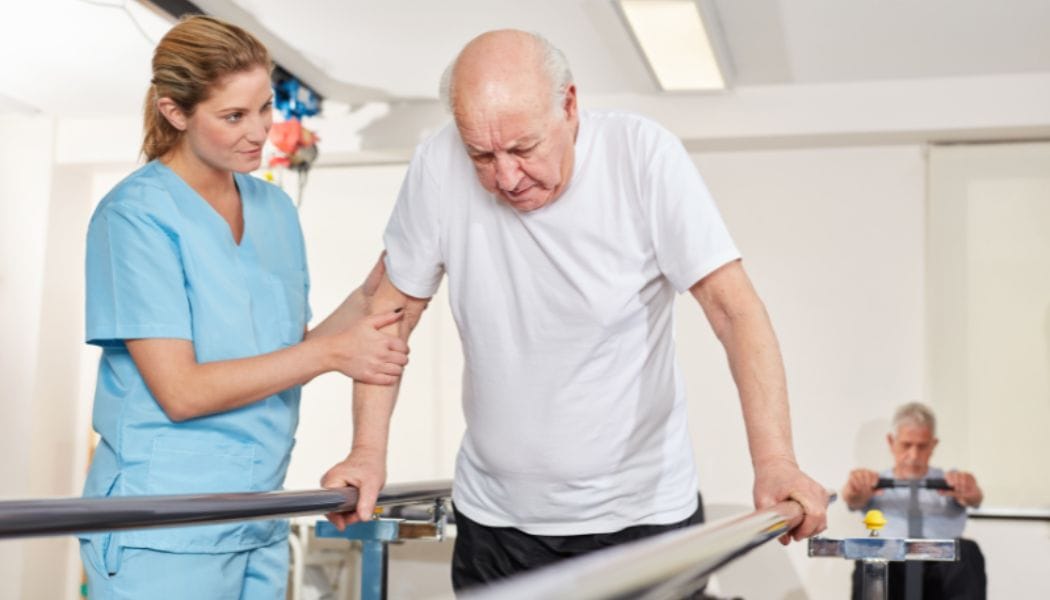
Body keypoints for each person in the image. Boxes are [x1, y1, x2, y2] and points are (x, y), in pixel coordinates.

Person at [321, 29, 828, 590]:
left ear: (568, 104)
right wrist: (366, 452)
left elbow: (735, 313)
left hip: (643, 518)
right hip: (497, 523)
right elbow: (390, 319)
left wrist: (775, 460)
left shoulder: (642, 157)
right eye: (482, 156)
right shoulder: (437, 164)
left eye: (522, 149)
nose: (506, 178)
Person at [79, 16, 409, 599]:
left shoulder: (273, 209)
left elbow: (287, 350)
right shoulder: (134, 217)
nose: (259, 131)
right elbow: (183, 392)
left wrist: (365, 300)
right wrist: (334, 352)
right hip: (164, 527)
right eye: (233, 116)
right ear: (174, 112)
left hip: (259, 516)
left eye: (265, 106)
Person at [842, 402, 986, 599]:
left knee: (967, 551)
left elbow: (975, 497)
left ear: (933, 445)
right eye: (906, 445)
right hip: (892, 569)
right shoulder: (874, 483)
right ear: (891, 441)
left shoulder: (951, 482)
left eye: (922, 446)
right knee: (872, 555)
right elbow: (852, 498)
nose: (914, 455)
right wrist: (855, 488)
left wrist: (970, 490)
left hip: (939, 569)